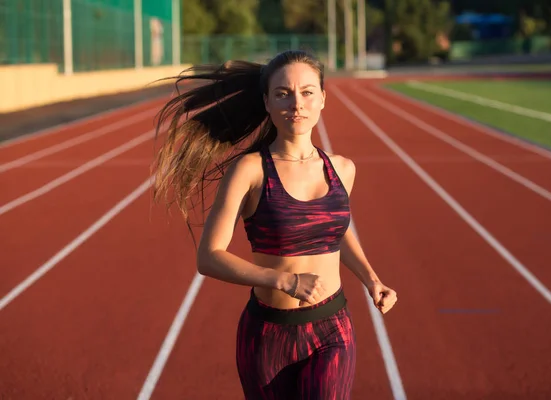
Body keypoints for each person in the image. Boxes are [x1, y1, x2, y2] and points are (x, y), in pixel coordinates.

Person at [151, 50, 397, 399]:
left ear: (323, 98)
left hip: (332, 328)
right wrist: (286, 281)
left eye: (307, 92)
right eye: (283, 93)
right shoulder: (250, 171)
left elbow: (336, 231)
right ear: (266, 101)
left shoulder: (343, 168)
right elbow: (209, 256)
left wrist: (372, 280)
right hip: (267, 335)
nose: (297, 103)